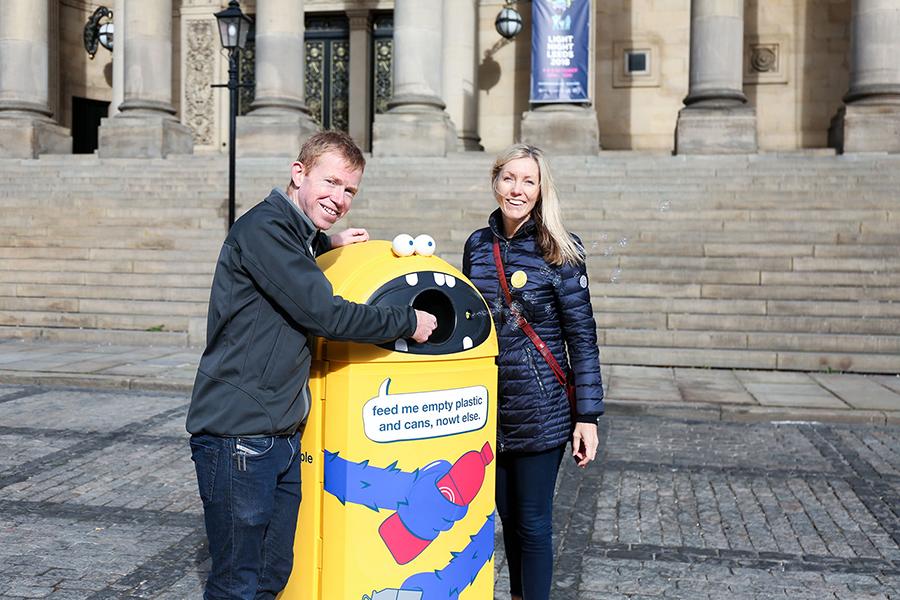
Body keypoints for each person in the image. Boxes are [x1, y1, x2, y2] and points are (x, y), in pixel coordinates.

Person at [186, 131, 437, 600]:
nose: (340, 199)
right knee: (238, 580)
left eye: (350, 191)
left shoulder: (292, 236)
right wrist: (406, 320)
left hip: (277, 435)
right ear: (298, 173)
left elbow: (285, 277)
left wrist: (322, 245)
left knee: (273, 571)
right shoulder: (264, 229)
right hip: (239, 435)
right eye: (332, 183)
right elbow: (325, 313)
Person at [462, 143, 603, 600]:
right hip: (491, 407)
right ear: (495, 181)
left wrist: (588, 416)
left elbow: (581, 337)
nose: (517, 189)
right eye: (509, 178)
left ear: (541, 190)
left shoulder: (561, 248)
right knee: (507, 518)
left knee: (534, 522)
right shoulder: (478, 246)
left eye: (528, 180)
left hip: (541, 405)